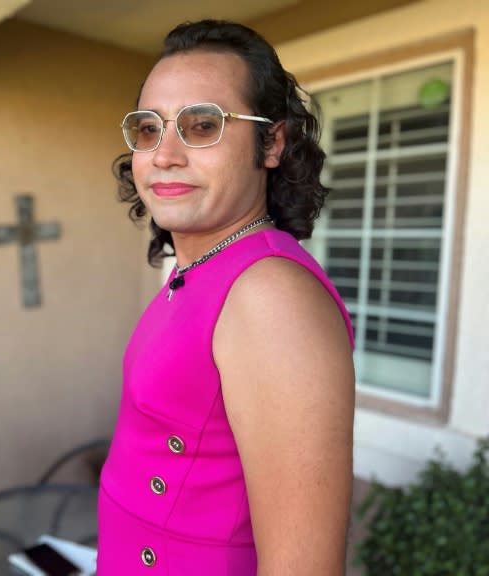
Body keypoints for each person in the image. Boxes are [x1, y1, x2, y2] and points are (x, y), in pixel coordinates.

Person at [97, 20, 356, 575]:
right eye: (148, 129)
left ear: (272, 142)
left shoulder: (271, 297)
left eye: (201, 125)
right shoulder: (202, 272)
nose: (164, 154)